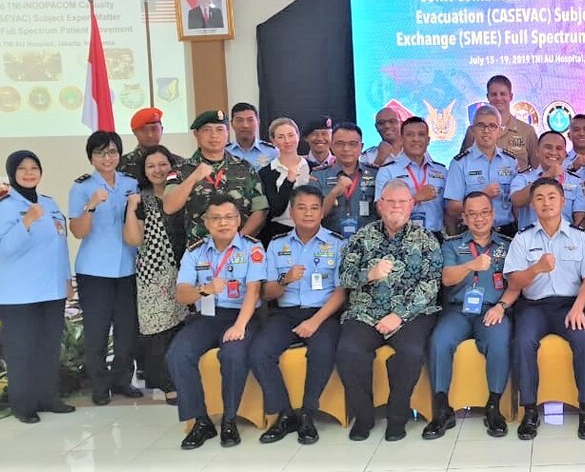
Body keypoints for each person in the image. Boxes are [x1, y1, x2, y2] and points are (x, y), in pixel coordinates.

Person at [335, 180, 441, 442]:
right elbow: (344, 277)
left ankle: (397, 416)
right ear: (379, 205)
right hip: (365, 312)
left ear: (411, 205)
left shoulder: (426, 239)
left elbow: (431, 285)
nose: (396, 207)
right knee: (348, 351)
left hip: (409, 314)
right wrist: (367, 274)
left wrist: (399, 315)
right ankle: (364, 416)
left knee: (411, 353)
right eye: (390, 202)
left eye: (402, 202)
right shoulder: (362, 236)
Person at [504, 177, 585, 440]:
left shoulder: (581, 237)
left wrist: (579, 308)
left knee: (583, 339)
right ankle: (530, 410)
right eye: (540, 198)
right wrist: (536, 269)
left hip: (570, 304)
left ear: (563, 201)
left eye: (552, 197)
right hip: (534, 306)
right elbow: (514, 282)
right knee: (523, 342)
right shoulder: (522, 239)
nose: (546, 203)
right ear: (532, 204)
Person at [168, 194, 265, 449]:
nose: (224, 223)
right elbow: (181, 294)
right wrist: (205, 290)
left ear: (238, 220)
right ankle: (201, 421)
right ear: (206, 222)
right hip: (207, 316)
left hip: (242, 316)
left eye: (229, 217)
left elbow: (253, 291)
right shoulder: (195, 252)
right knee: (178, 354)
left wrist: (239, 326)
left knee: (233, 355)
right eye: (217, 218)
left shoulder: (253, 248)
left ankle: (229, 420)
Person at [251, 185, 346, 445]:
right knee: (259, 352)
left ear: (322, 212)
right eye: (301, 208)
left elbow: (341, 291)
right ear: (291, 213)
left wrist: (315, 321)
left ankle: (307, 413)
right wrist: (284, 279)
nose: (308, 213)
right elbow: (267, 292)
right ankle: (284, 413)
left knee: (323, 350)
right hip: (286, 312)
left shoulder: (337, 244)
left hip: (323, 312)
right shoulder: (276, 245)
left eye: (314, 208)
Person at [0, 151, 75, 423]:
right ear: (13, 173)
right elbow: (6, 248)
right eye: (22, 168)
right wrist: (26, 221)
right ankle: (23, 404)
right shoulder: (3, 207)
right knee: (22, 349)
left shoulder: (49, 203)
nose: (29, 173)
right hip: (19, 293)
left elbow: (59, 245)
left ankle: (48, 397)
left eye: (34, 167)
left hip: (51, 289)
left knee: (48, 346)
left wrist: (66, 279)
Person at [421, 192, 512, 440]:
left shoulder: (507, 245)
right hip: (458, 310)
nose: (479, 219)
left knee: (499, 341)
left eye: (484, 212)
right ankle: (442, 408)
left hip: (492, 310)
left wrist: (502, 306)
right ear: (464, 217)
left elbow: (515, 284)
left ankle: (493, 406)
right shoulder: (451, 244)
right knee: (439, 341)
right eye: (472, 214)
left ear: (493, 215)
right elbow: (447, 278)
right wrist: (470, 265)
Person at [69, 130, 143, 405]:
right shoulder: (82, 187)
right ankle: (99, 385)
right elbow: (77, 231)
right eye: (101, 152)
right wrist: (90, 206)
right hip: (95, 270)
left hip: (127, 267)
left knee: (126, 329)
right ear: (91, 157)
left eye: (112, 151)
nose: (107, 157)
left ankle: (122, 380)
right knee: (97, 329)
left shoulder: (130, 183)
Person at [123, 146, 190, 405]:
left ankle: (185, 378)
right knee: (158, 330)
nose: (158, 170)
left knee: (183, 326)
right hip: (155, 271)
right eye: (151, 166)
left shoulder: (183, 191)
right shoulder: (141, 199)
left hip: (187, 266)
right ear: (144, 171)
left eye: (162, 164)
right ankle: (166, 383)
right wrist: (131, 209)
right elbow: (133, 239)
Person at [163, 110, 269, 243]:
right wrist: (193, 177)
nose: (214, 135)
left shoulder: (245, 168)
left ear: (227, 133)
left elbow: (260, 209)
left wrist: (239, 240)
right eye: (207, 130)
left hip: (239, 250)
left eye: (219, 129)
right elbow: (169, 206)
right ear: (196, 134)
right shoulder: (181, 169)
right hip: (199, 252)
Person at [444, 105, 519, 236]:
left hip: (507, 232)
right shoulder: (460, 163)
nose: (486, 130)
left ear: (500, 131)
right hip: (473, 232)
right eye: (481, 125)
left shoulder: (511, 162)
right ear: (473, 130)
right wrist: (482, 196)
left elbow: (516, 204)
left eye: (492, 126)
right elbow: (452, 208)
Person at [374, 117, 445, 236]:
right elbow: (381, 210)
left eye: (421, 134)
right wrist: (415, 198)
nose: (416, 139)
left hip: (435, 237)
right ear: (401, 139)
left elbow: (449, 210)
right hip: (400, 237)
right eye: (410, 135)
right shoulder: (387, 171)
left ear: (428, 140)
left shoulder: (442, 171)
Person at [511, 130, 585, 229]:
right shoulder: (523, 178)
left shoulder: (576, 182)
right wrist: (546, 177)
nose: (553, 152)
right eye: (548, 147)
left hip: (565, 240)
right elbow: (516, 201)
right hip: (530, 241)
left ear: (565, 154)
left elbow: (580, 222)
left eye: (559, 148)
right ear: (537, 151)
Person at [312, 123, 380, 238]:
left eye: (353, 144)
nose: (346, 149)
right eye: (340, 144)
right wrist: (334, 192)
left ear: (361, 147)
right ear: (332, 146)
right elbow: (314, 216)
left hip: (368, 242)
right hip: (330, 243)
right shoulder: (319, 175)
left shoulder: (376, 174)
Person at [461, 75, 539, 169]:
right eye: (494, 94)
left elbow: (537, 169)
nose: (498, 98)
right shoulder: (473, 131)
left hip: (518, 183)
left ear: (511, 96)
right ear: (488, 97)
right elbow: (462, 166)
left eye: (503, 94)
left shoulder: (527, 131)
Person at [257, 118, 312, 245]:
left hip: (311, 231)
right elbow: (276, 209)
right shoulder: (266, 172)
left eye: (291, 135)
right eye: (281, 137)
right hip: (279, 233)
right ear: (273, 141)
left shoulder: (313, 168)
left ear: (298, 136)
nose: (287, 141)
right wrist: (289, 181)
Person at [119, 107, 183, 179]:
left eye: (154, 129)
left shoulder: (178, 162)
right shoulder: (121, 165)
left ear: (161, 130)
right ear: (134, 132)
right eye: (144, 130)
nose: (150, 135)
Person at [226, 102, 279, 171]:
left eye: (250, 120)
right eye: (240, 120)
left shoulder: (272, 152)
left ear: (258, 123)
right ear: (232, 124)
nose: (245, 125)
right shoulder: (224, 152)